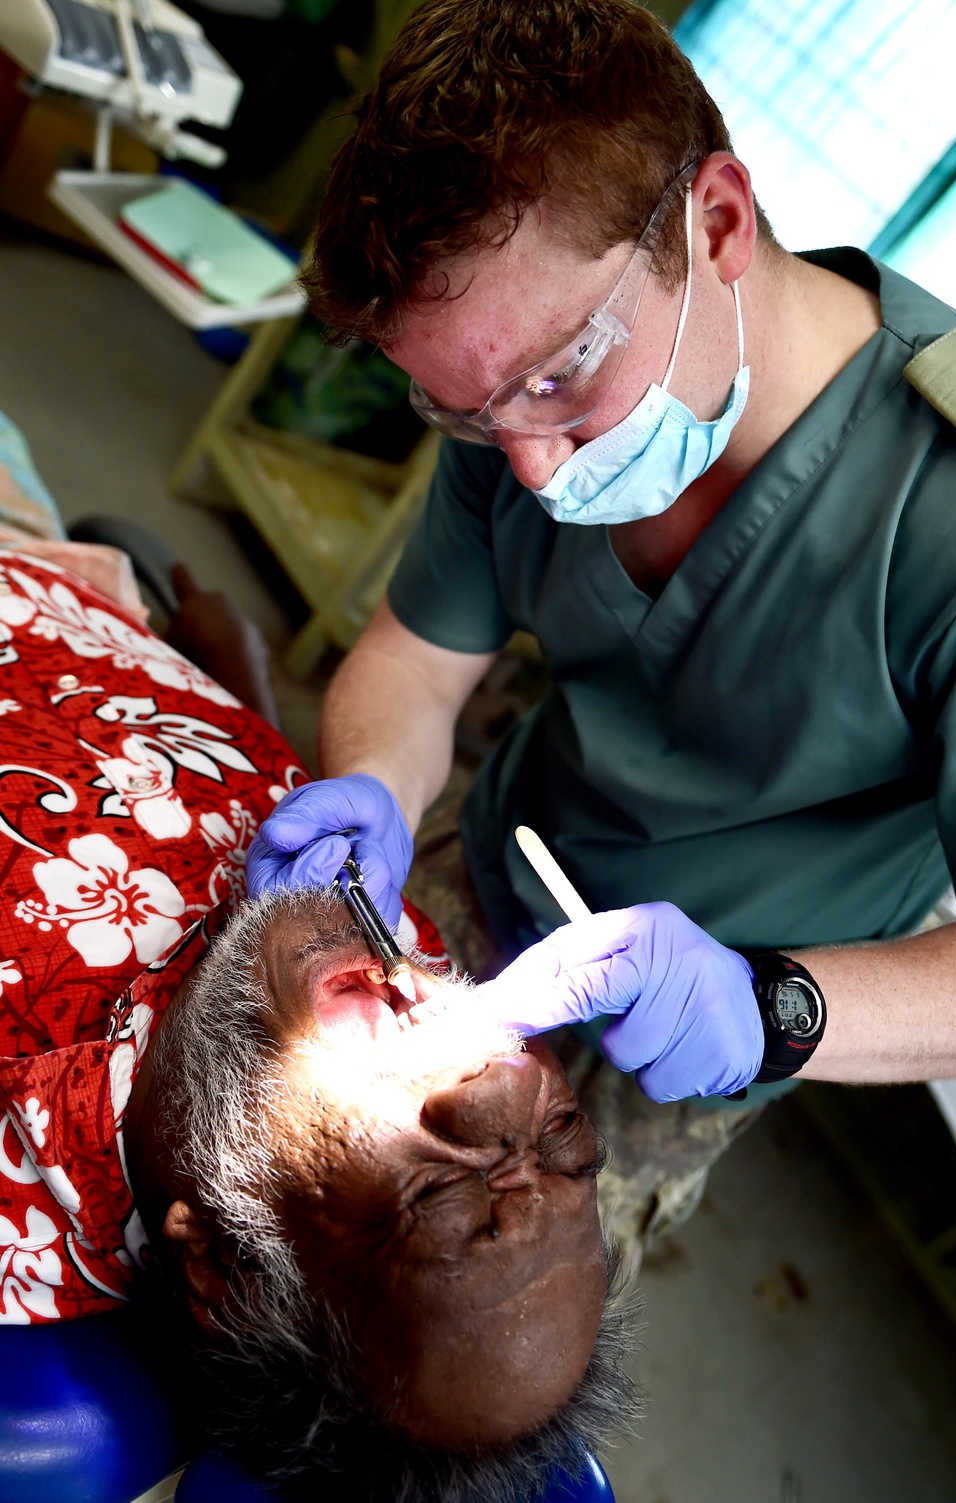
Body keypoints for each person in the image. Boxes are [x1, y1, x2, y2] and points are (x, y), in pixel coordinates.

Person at [246, 0, 956, 1260]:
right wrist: (373, 778)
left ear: (717, 221)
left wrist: (775, 1008)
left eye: (560, 379)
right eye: (473, 418)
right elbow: (418, 663)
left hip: (722, 1020)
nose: (532, 470)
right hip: (486, 883)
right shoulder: (507, 372)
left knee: (484, 1315)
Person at [0, 429, 637, 1497]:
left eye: (439, 1195)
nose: (489, 1073)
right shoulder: (365, 962)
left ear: (213, 1259)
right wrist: (236, 685)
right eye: (561, 1139)